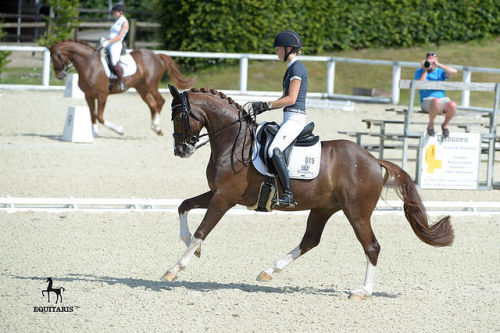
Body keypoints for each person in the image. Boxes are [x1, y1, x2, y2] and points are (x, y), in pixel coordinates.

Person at [252, 30, 308, 208]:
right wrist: (263, 107)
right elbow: (282, 98)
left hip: (296, 118)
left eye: (278, 49)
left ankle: (289, 194)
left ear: (288, 49)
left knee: (274, 149)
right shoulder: (290, 69)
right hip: (288, 117)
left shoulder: (298, 68)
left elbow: (291, 99)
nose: (276, 52)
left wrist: (266, 105)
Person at [414, 52, 458, 137]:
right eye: (430, 61)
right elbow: (419, 85)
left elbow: (454, 72)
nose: (432, 63)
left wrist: (439, 65)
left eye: (434, 61)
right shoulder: (419, 71)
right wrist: (425, 69)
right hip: (426, 101)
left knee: (452, 105)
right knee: (436, 101)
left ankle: (445, 125)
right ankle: (431, 125)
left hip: (442, 100)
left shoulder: (440, 71)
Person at [100, 3, 129, 91]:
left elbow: (120, 36)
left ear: (121, 12)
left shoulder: (125, 22)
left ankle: (122, 82)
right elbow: (112, 34)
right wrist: (105, 39)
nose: (113, 13)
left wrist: (109, 41)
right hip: (110, 42)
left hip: (116, 44)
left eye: (115, 12)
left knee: (113, 61)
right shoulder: (116, 21)